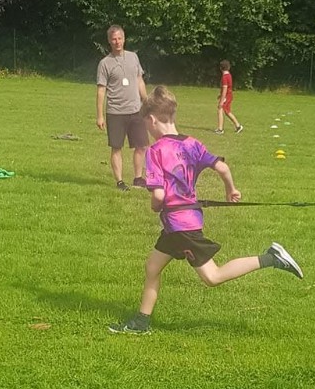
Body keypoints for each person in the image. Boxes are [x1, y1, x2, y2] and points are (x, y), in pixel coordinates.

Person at [109, 86, 302, 335]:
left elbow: (158, 196)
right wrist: (230, 190)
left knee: (213, 277)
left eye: (147, 126)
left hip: (181, 226)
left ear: (152, 120)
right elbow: (222, 168)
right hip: (179, 224)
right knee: (152, 267)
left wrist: (155, 205)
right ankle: (141, 322)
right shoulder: (192, 144)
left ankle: (271, 258)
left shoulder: (156, 151)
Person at [95, 25, 148, 189]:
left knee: (141, 146)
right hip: (115, 112)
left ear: (124, 39)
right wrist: (100, 115)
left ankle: (138, 178)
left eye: (120, 38)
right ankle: (119, 181)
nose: (117, 42)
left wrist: (146, 101)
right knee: (116, 147)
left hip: (135, 110)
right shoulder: (105, 63)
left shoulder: (133, 57)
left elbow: (139, 80)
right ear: (109, 41)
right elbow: (101, 90)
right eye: (114, 39)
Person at [216, 60, 243, 134]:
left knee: (220, 109)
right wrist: (221, 95)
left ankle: (220, 129)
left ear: (221, 68)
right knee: (227, 111)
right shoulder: (229, 75)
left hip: (227, 96)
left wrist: (222, 100)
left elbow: (225, 89)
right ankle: (238, 126)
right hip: (228, 95)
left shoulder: (225, 77)